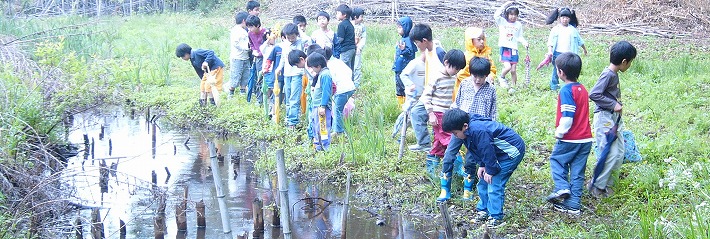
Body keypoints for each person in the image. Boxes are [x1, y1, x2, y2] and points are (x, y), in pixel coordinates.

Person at [441, 108, 525, 229]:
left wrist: (490, 170)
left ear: (464, 126)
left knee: (494, 182)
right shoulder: (467, 132)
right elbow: (475, 148)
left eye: (455, 133)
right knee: (483, 181)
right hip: (496, 153)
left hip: (510, 152)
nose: (455, 136)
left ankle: (496, 217)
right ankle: (484, 210)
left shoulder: (479, 130)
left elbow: (487, 150)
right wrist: (481, 165)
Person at [439, 56, 497, 202]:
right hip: (459, 125)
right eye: (475, 76)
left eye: (481, 77)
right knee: (449, 155)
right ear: (470, 73)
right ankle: (445, 189)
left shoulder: (490, 90)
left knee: (471, 160)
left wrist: (490, 131)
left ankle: (468, 189)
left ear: (487, 75)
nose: (478, 80)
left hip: (477, 131)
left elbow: (492, 113)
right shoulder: (464, 84)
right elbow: (456, 103)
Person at [587, 41, 637, 198]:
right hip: (604, 118)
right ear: (624, 61)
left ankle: (608, 185)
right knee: (610, 153)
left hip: (613, 119)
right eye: (630, 62)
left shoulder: (613, 74)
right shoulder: (608, 74)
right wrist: (613, 104)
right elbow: (594, 94)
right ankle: (597, 186)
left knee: (619, 152)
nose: (630, 65)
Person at [545, 52, 593, 216]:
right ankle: (573, 206)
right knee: (578, 172)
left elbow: (568, 116)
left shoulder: (566, 90)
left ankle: (561, 187)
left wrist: (560, 132)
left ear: (560, 72)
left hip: (570, 138)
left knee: (557, 161)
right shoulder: (583, 89)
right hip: (586, 139)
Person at [419, 49, 466, 177]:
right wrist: (430, 113)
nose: (456, 72)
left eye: (458, 70)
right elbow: (426, 96)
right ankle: (458, 167)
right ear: (446, 62)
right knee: (451, 140)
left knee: (439, 142)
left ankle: (431, 169)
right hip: (437, 114)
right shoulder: (436, 76)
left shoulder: (453, 77)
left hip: (447, 113)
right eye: (455, 68)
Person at [407, 23, 444, 153]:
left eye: (417, 43)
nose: (417, 46)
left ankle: (437, 146)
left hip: (439, 94)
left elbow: (449, 73)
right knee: (416, 112)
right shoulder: (428, 50)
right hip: (428, 92)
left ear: (424, 41)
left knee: (435, 120)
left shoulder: (439, 53)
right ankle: (424, 143)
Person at [275, 23, 309, 128]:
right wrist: (279, 68)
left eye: (293, 37)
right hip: (287, 74)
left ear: (297, 35)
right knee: (288, 97)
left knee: (294, 98)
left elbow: (308, 39)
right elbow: (283, 58)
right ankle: (289, 117)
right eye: (288, 37)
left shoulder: (301, 42)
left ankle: (293, 121)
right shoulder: (285, 44)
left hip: (297, 74)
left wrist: (298, 29)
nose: (290, 39)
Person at [545, 7, 588, 91]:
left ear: (570, 18)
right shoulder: (555, 29)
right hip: (557, 53)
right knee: (556, 70)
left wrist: (584, 49)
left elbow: (580, 41)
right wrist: (550, 51)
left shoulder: (573, 30)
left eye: (567, 18)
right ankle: (554, 86)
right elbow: (550, 42)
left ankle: (568, 86)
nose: (565, 19)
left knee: (569, 70)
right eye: (563, 17)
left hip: (568, 54)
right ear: (559, 18)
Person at [455, 27, 497, 99]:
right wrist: (474, 82)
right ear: (471, 41)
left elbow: (492, 69)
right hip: (467, 92)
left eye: (483, 39)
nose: (482, 41)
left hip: (483, 88)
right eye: (479, 39)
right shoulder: (467, 57)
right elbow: (461, 75)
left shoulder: (485, 54)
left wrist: (490, 77)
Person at [495, 1, 529, 89]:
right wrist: (505, 5)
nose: (513, 17)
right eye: (511, 14)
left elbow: (519, 36)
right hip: (505, 48)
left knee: (513, 70)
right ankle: (501, 77)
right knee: (508, 67)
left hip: (514, 49)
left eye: (515, 15)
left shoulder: (518, 25)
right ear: (507, 14)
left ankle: (514, 86)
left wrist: (524, 43)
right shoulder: (502, 22)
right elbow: (496, 15)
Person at [323, 47, 355, 138]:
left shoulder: (329, 66)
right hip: (350, 86)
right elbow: (349, 71)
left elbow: (332, 82)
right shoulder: (338, 61)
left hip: (342, 89)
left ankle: (339, 131)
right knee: (337, 109)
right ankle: (337, 129)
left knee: (337, 110)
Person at [306, 52, 334, 151]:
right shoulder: (321, 74)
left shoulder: (325, 75)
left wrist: (323, 106)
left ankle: (325, 147)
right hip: (316, 106)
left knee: (323, 127)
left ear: (318, 66)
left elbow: (326, 91)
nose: (312, 70)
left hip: (321, 107)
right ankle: (318, 146)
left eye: (312, 67)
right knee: (316, 126)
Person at [392, 16, 416, 108]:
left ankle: (405, 104)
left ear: (406, 28)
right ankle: (401, 104)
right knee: (398, 85)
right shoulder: (404, 39)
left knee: (402, 86)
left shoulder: (408, 40)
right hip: (399, 67)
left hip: (403, 68)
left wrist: (403, 50)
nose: (398, 29)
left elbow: (410, 53)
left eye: (400, 27)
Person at [229, 11, 251, 96]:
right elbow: (235, 43)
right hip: (237, 57)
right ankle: (231, 93)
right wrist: (246, 48)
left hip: (245, 57)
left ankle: (242, 92)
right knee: (235, 76)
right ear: (243, 20)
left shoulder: (244, 30)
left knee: (245, 75)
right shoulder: (236, 30)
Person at [246, 15, 267, 102]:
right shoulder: (250, 34)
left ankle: (269, 98)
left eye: (251, 26)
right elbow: (251, 44)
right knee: (259, 78)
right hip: (258, 58)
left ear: (258, 25)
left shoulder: (266, 33)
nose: (250, 29)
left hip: (267, 58)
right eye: (248, 27)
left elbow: (270, 46)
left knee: (267, 77)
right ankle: (260, 99)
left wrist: (261, 52)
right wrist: (254, 50)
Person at [260, 28, 279, 118]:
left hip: (274, 71)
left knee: (274, 91)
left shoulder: (278, 46)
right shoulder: (265, 48)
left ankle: (272, 110)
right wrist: (269, 38)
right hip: (267, 71)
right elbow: (261, 48)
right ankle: (266, 110)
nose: (273, 39)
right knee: (266, 91)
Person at [335, 4, 356, 70]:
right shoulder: (350, 24)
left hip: (346, 49)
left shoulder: (342, 25)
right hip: (352, 48)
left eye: (338, 13)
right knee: (350, 68)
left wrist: (334, 43)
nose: (336, 15)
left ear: (344, 15)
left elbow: (340, 39)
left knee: (344, 68)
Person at [352, 7, 366, 88]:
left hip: (357, 49)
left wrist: (359, 47)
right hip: (349, 49)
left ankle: (356, 84)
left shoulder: (362, 27)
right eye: (361, 16)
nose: (362, 18)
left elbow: (363, 38)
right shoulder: (349, 25)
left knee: (357, 66)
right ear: (355, 17)